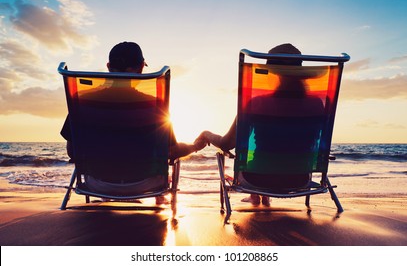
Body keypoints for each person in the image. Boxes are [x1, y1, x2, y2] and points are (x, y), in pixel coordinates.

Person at [61, 41, 207, 204]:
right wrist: (193, 147)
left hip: (97, 183)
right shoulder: (155, 104)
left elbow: (72, 151)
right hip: (146, 183)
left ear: (108, 67)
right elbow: (171, 152)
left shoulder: (82, 102)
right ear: (141, 68)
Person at [197, 43, 324, 206]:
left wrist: (207, 134)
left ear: (272, 72)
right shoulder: (317, 105)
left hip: (256, 179)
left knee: (255, 161)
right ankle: (260, 197)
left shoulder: (257, 103)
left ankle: (256, 195)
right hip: (299, 179)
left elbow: (227, 144)